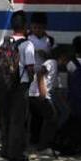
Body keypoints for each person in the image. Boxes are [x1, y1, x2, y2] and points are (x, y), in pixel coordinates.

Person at [0, 10, 31, 161]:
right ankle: (15, 153)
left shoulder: (4, 41)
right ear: (25, 26)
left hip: (4, 85)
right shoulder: (28, 45)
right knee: (17, 119)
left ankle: (4, 149)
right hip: (20, 86)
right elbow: (30, 67)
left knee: (5, 117)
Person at [26, 13, 55, 147]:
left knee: (41, 110)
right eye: (35, 27)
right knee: (31, 110)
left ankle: (38, 138)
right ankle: (31, 137)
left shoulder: (49, 40)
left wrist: (46, 55)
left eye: (40, 27)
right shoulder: (27, 39)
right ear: (31, 27)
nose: (37, 30)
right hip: (29, 78)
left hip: (43, 79)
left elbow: (53, 58)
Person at [28, 46, 59, 154]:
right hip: (38, 94)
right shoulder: (53, 62)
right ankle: (43, 146)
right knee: (52, 118)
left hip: (33, 94)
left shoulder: (52, 63)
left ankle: (34, 141)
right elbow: (40, 73)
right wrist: (42, 91)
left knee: (37, 118)